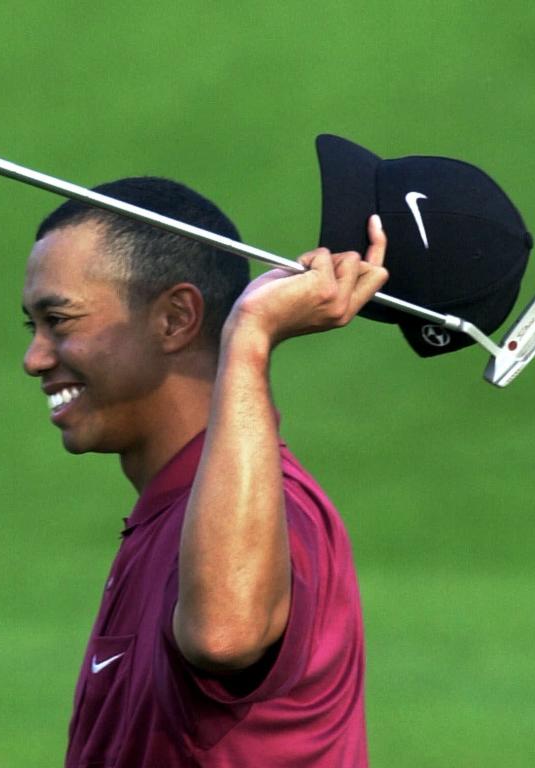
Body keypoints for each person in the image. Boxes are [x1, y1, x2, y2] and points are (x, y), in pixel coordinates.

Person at [21, 176, 388, 767]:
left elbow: (224, 635)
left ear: (175, 319)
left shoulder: (273, 510)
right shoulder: (166, 514)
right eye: (31, 327)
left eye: (59, 321)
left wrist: (251, 337)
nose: (34, 357)